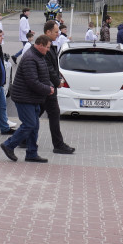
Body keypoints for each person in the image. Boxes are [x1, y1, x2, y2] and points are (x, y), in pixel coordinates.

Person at [0, 34, 56, 163]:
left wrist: (50, 85)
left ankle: (31, 153)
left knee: (34, 126)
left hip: (33, 98)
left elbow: (43, 76)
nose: (48, 50)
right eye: (47, 47)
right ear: (40, 45)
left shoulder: (39, 56)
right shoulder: (30, 58)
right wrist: (47, 89)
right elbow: (32, 81)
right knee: (29, 124)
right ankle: (9, 145)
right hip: (24, 98)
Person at [41, 20, 75, 154]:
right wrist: (57, 82)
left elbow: (53, 67)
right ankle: (58, 144)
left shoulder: (51, 46)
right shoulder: (45, 47)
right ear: (48, 32)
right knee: (54, 114)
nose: (58, 34)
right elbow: (48, 68)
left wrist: (58, 78)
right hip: (47, 88)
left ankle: (22, 139)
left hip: (47, 87)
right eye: (56, 32)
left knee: (36, 114)